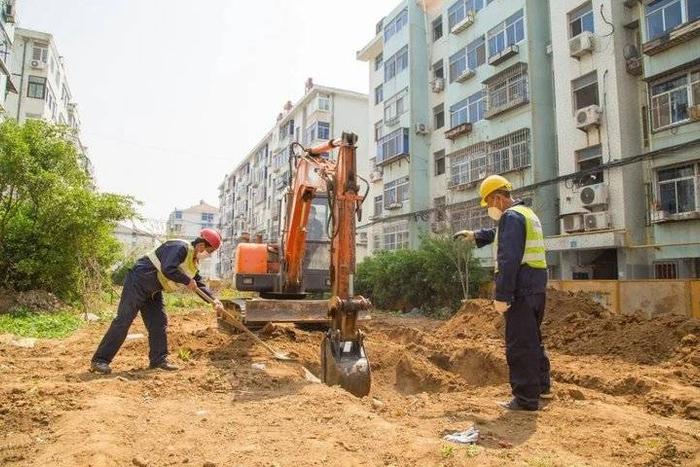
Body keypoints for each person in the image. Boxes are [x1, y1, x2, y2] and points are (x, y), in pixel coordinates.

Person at [454, 175, 551, 411]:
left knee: (519, 345)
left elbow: (509, 259)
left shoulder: (511, 217)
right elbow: (503, 236)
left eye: (489, 203)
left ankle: (526, 399)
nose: (489, 208)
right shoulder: (526, 214)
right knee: (532, 341)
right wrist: (476, 234)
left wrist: (503, 295)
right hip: (536, 288)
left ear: (498, 198)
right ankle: (540, 388)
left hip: (520, 290)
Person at [90, 228, 225, 374]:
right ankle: (100, 360)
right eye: (210, 251)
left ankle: (158, 360)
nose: (209, 255)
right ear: (201, 246)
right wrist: (186, 281)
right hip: (138, 282)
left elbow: (198, 284)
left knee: (159, 323)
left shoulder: (192, 263)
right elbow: (168, 268)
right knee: (124, 320)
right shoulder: (179, 247)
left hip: (153, 291)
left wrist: (214, 300)